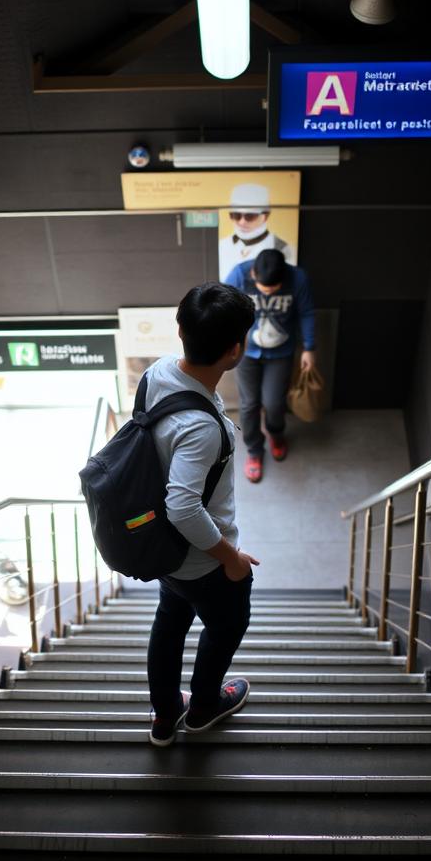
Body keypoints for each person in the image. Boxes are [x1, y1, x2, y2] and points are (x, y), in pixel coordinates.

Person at [144, 281, 260, 746]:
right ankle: (203, 708)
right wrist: (228, 556)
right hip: (201, 561)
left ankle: (165, 714)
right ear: (235, 351)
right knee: (226, 626)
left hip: (165, 556)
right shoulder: (200, 428)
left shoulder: (157, 374)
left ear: (179, 330)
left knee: (170, 621)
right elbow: (183, 506)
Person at [225, 248, 316, 483]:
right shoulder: (239, 275)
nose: (266, 293)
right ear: (253, 274)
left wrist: (309, 347)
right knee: (249, 404)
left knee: (274, 402)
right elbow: (223, 310)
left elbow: (306, 313)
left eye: (272, 290)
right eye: (262, 289)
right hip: (246, 351)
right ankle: (254, 450)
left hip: (282, 352)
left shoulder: (298, 279)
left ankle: (276, 434)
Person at [218, 181, 296, 280]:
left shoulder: (283, 249)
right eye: (236, 215)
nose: (242, 222)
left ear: (265, 215)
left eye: (249, 216)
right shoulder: (222, 244)